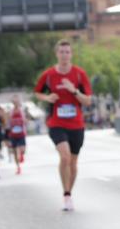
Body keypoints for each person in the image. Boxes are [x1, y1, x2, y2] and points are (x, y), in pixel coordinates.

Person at [34, 39, 92, 211]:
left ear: (71, 54)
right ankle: (66, 195)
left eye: (67, 52)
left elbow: (88, 101)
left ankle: (69, 193)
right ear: (56, 54)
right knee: (65, 157)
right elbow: (37, 92)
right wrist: (47, 97)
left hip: (76, 124)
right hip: (56, 122)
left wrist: (74, 90)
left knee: (73, 162)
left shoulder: (80, 74)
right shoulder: (49, 75)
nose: (65, 55)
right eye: (62, 52)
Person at [7, 95, 28, 174]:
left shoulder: (22, 111)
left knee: (23, 150)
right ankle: (18, 167)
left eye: (17, 101)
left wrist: (24, 121)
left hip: (21, 133)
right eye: (14, 102)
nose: (15, 103)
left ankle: (21, 155)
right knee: (15, 152)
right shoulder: (10, 112)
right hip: (13, 134)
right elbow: (8, 122)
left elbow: (26, 121)